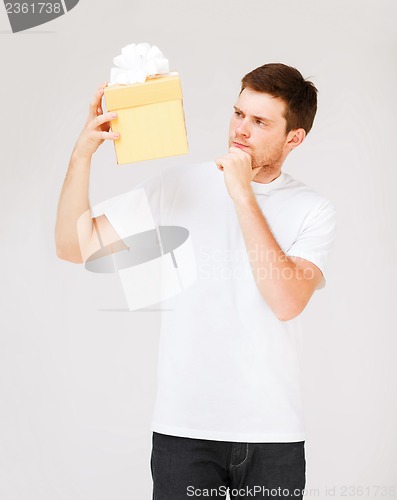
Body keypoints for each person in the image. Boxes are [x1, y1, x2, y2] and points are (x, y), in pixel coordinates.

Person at [55, 63, 337, 499]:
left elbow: (286, 302)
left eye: (260, 122)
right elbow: (76, 247)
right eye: (238, 113)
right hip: (182, 431)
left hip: (272, 434)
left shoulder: (312, 208)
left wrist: (242, 194)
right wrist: (81, 155)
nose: (241, 130)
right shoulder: (178, 187)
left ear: (293, 138)